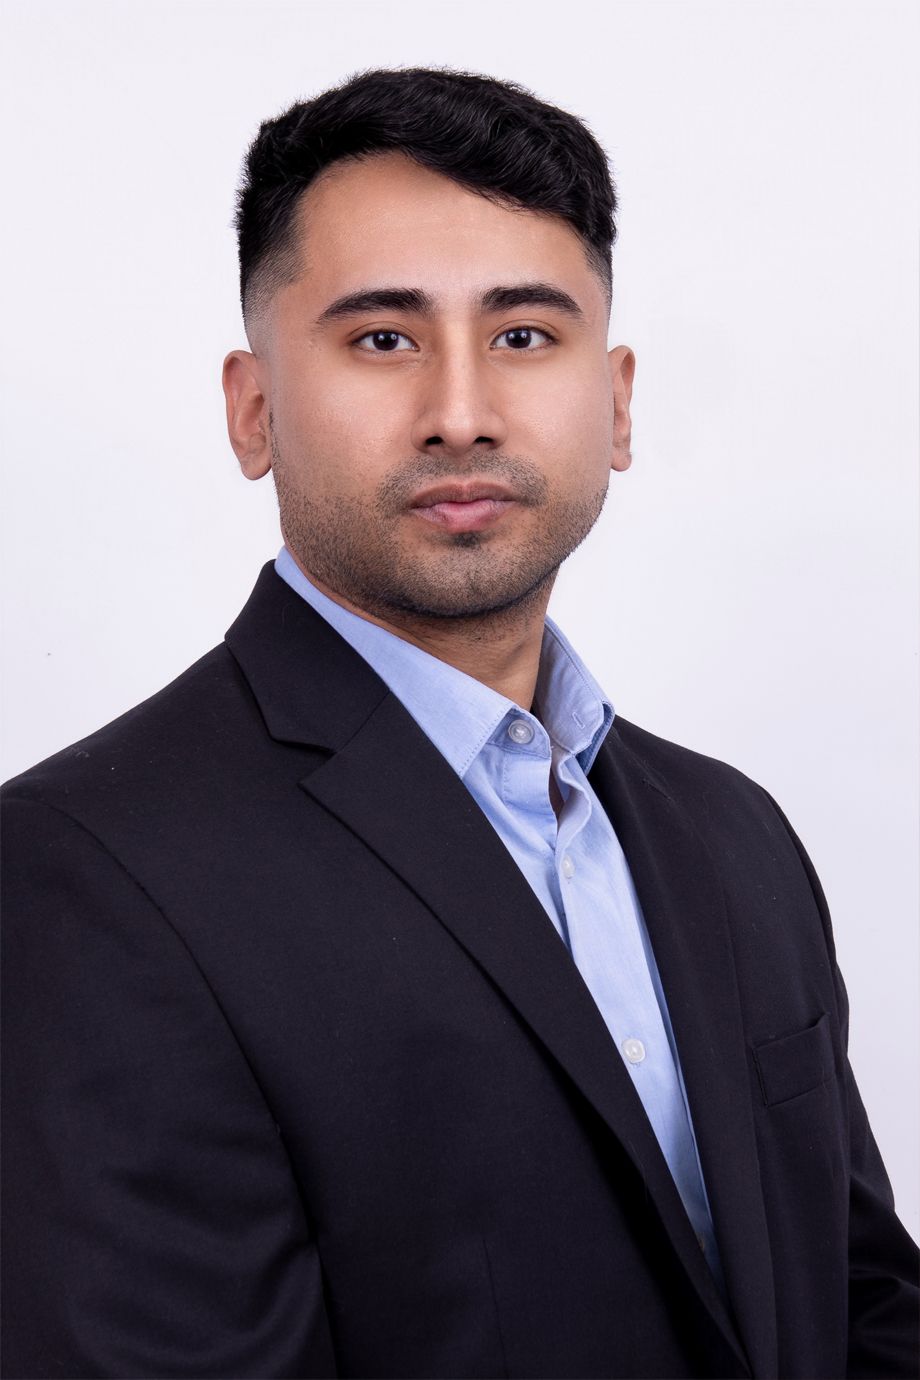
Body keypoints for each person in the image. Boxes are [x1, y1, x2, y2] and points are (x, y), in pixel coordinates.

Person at [1, 65, 917, 1380]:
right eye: (382, 339)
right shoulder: (80, 872)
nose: (463, 411)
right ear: (253, 411)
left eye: (525, 336)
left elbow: (861, 1304)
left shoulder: (733, 835)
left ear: (617, 403)